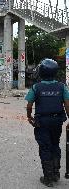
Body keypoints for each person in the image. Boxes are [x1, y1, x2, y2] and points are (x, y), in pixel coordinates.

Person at [25, 58, 69, 187]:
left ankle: (48, 177)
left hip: (42, 121)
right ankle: (55, 173)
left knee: (45, 147)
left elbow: (29, 105)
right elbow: (67, 105)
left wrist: (29, 116)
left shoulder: (36, 87)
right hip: (57, 121)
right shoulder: (62, 87)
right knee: (55, 144)